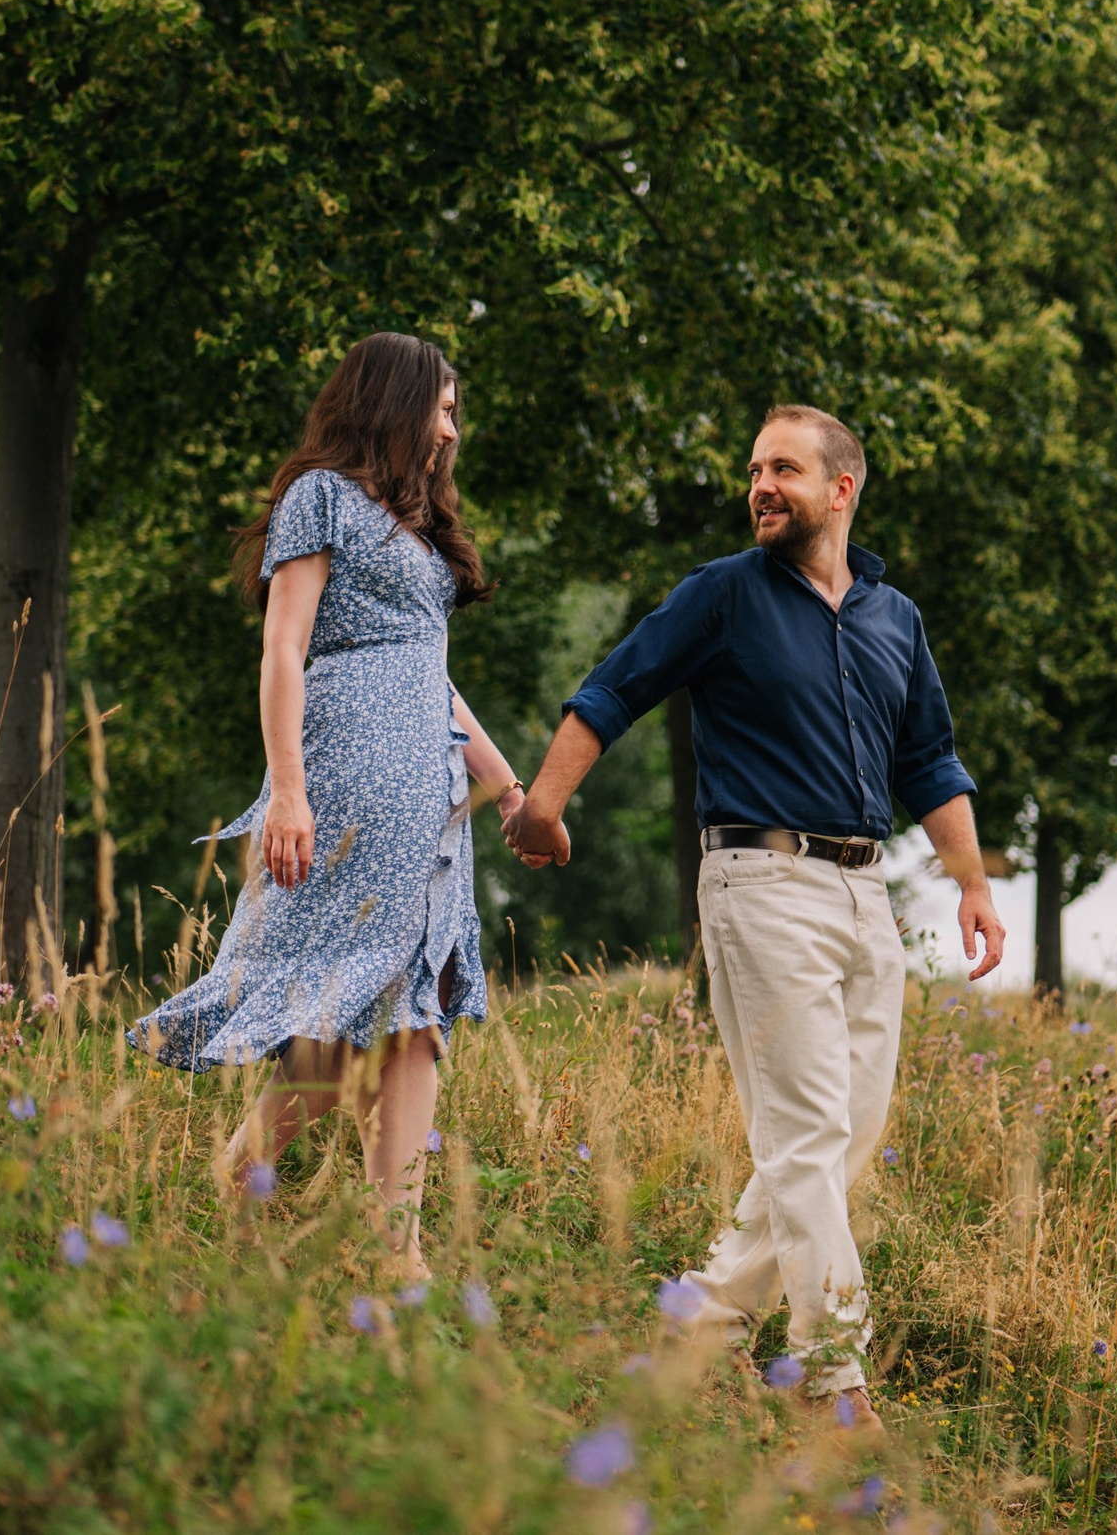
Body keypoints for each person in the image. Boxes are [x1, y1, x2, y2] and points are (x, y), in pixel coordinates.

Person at [506, 404, 1006, 1431]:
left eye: (783, 468)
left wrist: (972, 884)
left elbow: (929, 758)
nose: (760, 486)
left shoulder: (894, 618)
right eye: (753, 471)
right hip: (760, 881)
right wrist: (544, 804)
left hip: (866, 893)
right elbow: (612, 690)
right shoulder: (724, 594)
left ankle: (702, 1322)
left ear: (841, 489)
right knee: (807, 1134)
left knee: (845, 1135)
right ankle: (833, 1381)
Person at [130, 332, 543, 1278]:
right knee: (335, 1014)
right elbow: (283, 646)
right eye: (443, 409)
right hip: (347, 772)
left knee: (413, 1018)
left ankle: (401, 1255)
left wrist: (511, 791)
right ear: (395, 402)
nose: (452, 430)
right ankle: (238, 1178)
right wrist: (287, 789)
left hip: (431, 796)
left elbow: (436, 682)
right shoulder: (319, 496)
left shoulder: (421, 530)